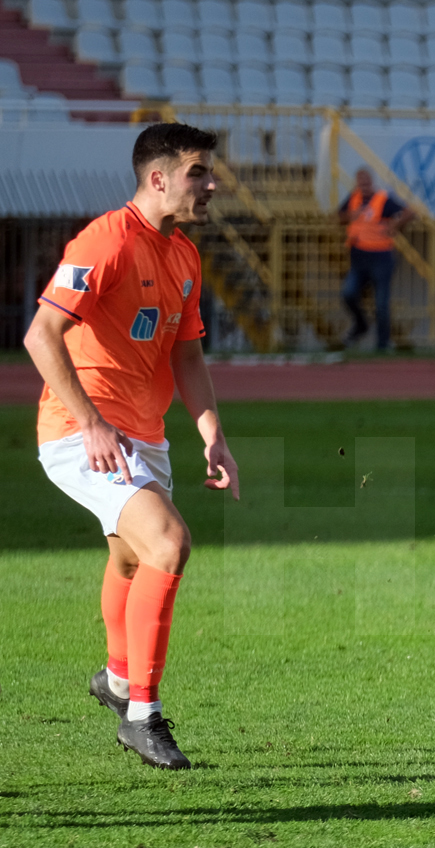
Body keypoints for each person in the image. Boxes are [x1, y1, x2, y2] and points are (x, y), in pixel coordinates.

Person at [23, 121, 240, 771]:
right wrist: (89, 422)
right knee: (169, 545)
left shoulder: (184, 255)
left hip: (144, 438)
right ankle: (142, 714)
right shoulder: (107, 239)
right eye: (199, 172)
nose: (211, 184)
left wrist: (213, 437)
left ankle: (117, 679)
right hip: (81, 432)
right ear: (159, 178)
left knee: (129, 561)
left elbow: (188, 355)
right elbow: (40, 335)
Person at [338, 168, 413, 351]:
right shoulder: (353, 198)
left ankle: (382, 343)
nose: (363, 185)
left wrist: (394, 225)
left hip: (380, 256)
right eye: (360, 181)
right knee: (348, 294)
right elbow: (339, 217)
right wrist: (350, 216)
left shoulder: (382, 198)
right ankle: (361, 325)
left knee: (381, 302)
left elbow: (409, 213)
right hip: (358, 258)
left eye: (366, 181)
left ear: (371, 182)